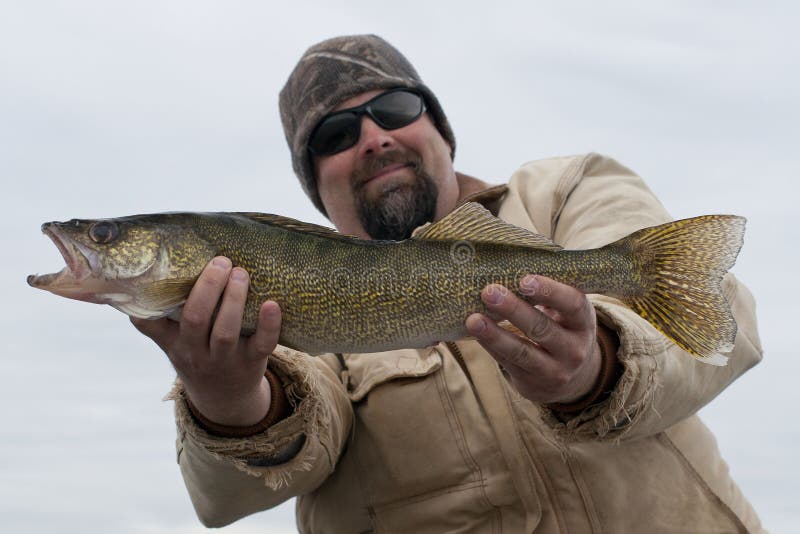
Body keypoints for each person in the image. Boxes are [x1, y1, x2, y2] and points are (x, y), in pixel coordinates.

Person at [132, 35, 764, 532]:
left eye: (396, 109)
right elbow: (229, 499)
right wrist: (229, 403)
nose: (375, 138)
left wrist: (596, 365)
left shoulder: (565, 192)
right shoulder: (276, 299)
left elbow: (721, 325)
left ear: (439, 129)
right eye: (335, 135)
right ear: (314, 182)